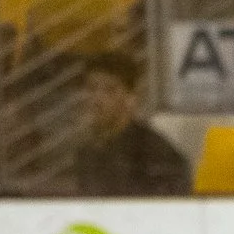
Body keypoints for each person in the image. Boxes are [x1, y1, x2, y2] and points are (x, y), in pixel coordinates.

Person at [68, 53, 191, 196]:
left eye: (110, 90)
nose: (97, 100)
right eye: (91, 88)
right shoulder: (87, 152)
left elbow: (170, 208)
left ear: (131, 98)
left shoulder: (155, 152)